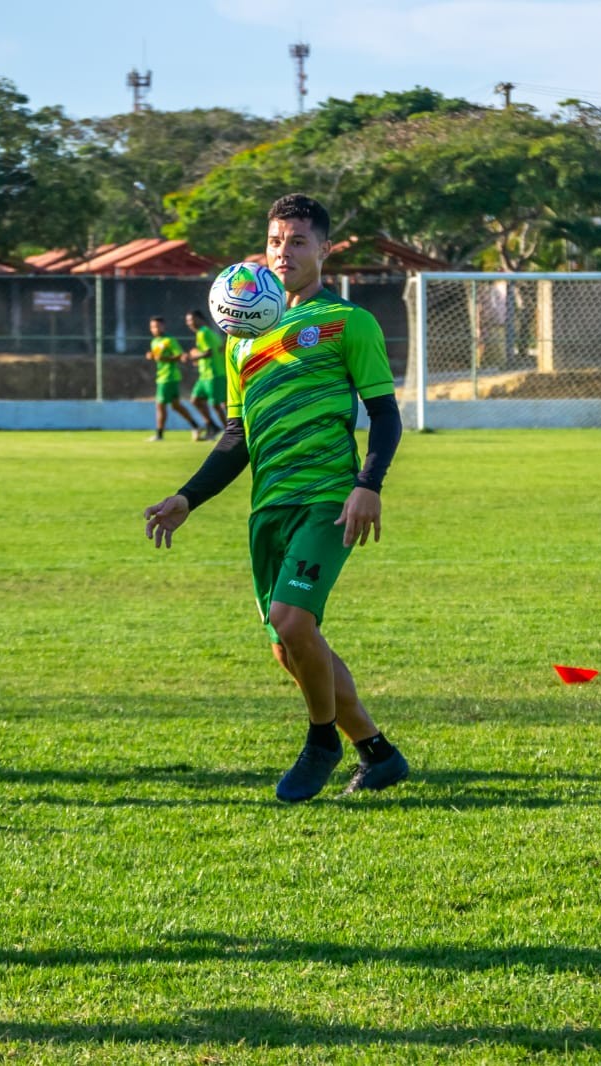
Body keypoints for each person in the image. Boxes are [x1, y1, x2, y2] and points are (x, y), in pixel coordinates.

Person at [143, 193, 409, 802]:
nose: (282, 252)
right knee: (291, 649)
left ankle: (321, 743)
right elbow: (236, 436)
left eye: (296, 241)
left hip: (328, 499)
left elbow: (385, 417)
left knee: (294, 621)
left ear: (324, 249)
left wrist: (368, 485)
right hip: (269, 507)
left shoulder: (348, 323)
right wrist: (188, 497)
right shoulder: (242, 340)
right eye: (274, 241)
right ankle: (378, 752)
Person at [145, 316, 203, 441]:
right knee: (175, 406)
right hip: (163, 376)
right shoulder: (154, 341)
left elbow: (179, 356)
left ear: (163, 326)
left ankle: (159, 435)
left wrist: (164, 359)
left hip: (169, 377)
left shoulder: (169, 340)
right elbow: (158, 357)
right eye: (152, 327)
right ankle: (196, 426)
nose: (155, 329)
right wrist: (152, 356)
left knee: (160, 405)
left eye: (157, 326)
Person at [184, 308, 226, 438]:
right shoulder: (208, 333)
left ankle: (229, 432)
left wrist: (191, 357)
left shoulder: (203, 332)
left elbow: (208, 353)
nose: (189, 323)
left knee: (217, 405)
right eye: (187, 321)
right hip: (205, 375)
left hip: (214, 373)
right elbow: (216, 350)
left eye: (191, 320)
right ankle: (212, 426)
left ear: (199, 319)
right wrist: (197, 358)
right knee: (196, 400)